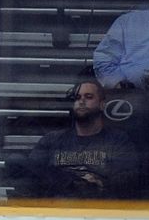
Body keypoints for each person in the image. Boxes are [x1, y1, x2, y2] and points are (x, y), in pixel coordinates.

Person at [8, 80, 140, 200]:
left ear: (102, 105)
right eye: (77, 98)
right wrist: (70, 181)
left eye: (88, 97)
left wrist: (101, 182)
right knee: (15, 160)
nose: (81, 101)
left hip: (96, 206)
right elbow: (33, 172)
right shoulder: (52, 139)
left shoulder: (117, 139)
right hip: (57, 206)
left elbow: (130, 176)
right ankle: (75, 184)